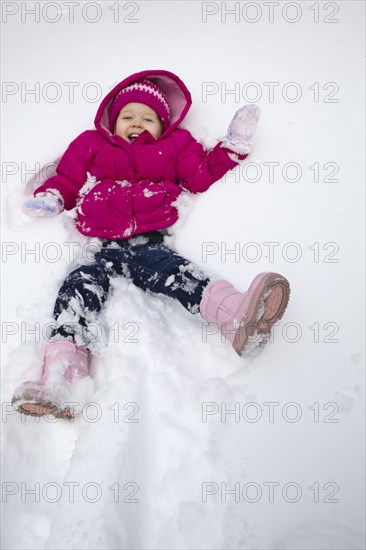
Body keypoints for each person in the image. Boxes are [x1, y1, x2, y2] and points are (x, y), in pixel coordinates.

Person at [11, 69, 290, 419]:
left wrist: (230, 149)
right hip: (101, 246)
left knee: (179, 274)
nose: (136, 123)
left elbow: (199, 176)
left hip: (150, 242)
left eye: (147, 118)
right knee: (77, 287)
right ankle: (62, 378)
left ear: (163, 124)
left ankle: (235, 315)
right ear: (113, 121)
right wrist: (52, 196)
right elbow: (69, 177)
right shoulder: (91, 144)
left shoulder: (175, 146)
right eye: (128, 116)